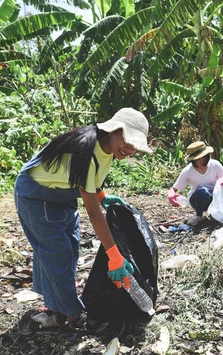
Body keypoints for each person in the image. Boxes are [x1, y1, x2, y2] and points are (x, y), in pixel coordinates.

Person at [14, 108, 152, 328]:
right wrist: (114, 254)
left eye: (135, 146)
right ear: (113, 131)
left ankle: (56, 304)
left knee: (70, 247)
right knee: (57, 252)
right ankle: (70, 313)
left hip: (62, 194)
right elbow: (94, 213)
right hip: (37, 195)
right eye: (128, 141)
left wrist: (102, 195)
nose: (131, 149)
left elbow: (92, 183)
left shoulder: (106, 149)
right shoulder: (86, 151)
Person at [167, 141, 223, 226]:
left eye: (203, 158)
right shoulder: (188, 171)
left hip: (215, 197)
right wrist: (171, 195)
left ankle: (214, 214)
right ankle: (198, 215)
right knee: (203, 192)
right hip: (198, 199)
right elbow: (174, 189)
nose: (201, 161)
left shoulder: (215, 165)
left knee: (216, 220)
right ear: (193, 160)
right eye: (198, 159)